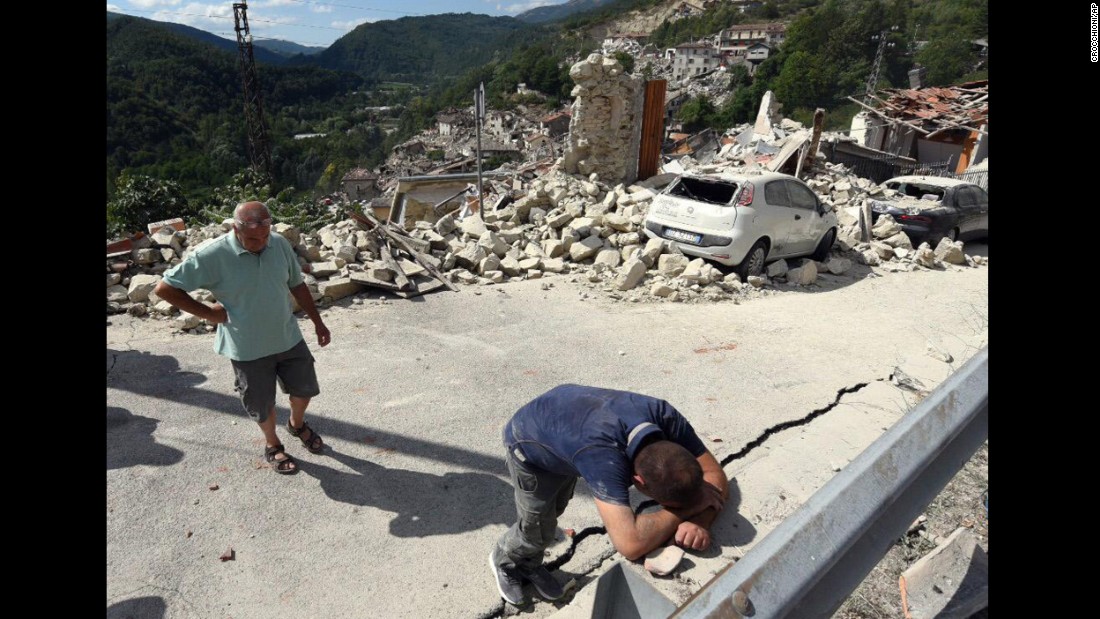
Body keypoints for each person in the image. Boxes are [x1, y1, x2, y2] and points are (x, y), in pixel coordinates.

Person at [489, 384, 729, 606]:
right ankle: (506, 560)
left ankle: (529, 562)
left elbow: (713, 473)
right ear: (638, 482)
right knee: (537, 525)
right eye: (670, 506)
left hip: (567, 426)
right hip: (529, 444)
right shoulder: (602, 459)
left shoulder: (665, 416)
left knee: (556, 508)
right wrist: (687, 510)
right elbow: (630, 543)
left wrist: (700, 522)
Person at [154, 201, 331, 475]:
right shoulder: (212, 254)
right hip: (246, 347)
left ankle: (297, 425)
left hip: (287, 336)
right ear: (236, 228)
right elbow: (165, 288)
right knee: (261, 403)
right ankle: (273, 444)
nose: (260, 243)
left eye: (264, 236)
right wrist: (208, 314)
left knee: (304, 389)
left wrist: (318, 322)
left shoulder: (279, 243)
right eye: (252, 238)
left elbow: (296, 283)